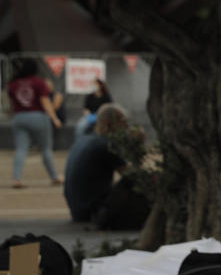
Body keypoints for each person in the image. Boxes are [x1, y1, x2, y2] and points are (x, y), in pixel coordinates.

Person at [63, 104, 150, 229]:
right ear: (110, 124)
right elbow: (135, 176)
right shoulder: (106, 145)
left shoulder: (85, 139)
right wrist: (137, 145)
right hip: (93, 213)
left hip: (77, 211)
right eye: (124, 123)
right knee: (133, 182)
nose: (127, 128)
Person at [7, 59, 63, 188]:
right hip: (38, 117)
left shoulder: (13, 83)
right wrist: (54, 118)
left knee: (21, 149)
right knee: (45, 149)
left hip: (19, 117)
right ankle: (54, 177)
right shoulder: (39, 82)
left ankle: (17, 178)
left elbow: (11, 103)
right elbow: (45, 102)